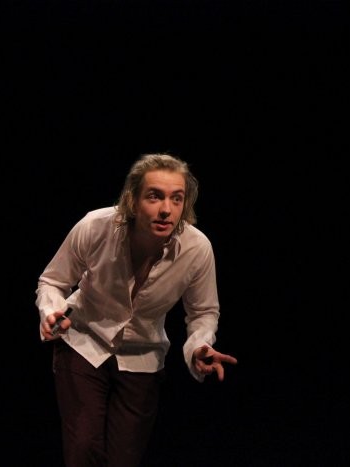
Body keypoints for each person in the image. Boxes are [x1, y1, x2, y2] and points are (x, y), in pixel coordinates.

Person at [36, 152, 237, 467]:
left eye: (176, 198)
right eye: (154, 196)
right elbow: (53, 280)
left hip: (142, 356)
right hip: (83, 341)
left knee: (124, 459)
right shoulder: (95, 227)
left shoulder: (197, 249)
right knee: (83, 448)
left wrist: (200, 345)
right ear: (132, 199)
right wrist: (52, 311)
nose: (166, 209)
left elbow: (203, 313)